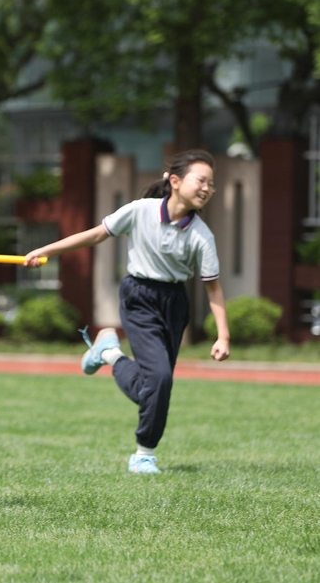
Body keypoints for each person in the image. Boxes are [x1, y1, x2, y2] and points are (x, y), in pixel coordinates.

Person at [23, 149, 230, 474]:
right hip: (139, 297)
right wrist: (46, 249)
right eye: (201, 180)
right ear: (175, 181)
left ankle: (110, 355)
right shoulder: (140, 211)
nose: (207, 188)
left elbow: (213, 287)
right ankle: (143, 454)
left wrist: (223, 335)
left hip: (174, 303)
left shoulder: (202, 236)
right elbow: (95, 235)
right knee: (159, 379)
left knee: (157, 385)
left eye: (211, 184)